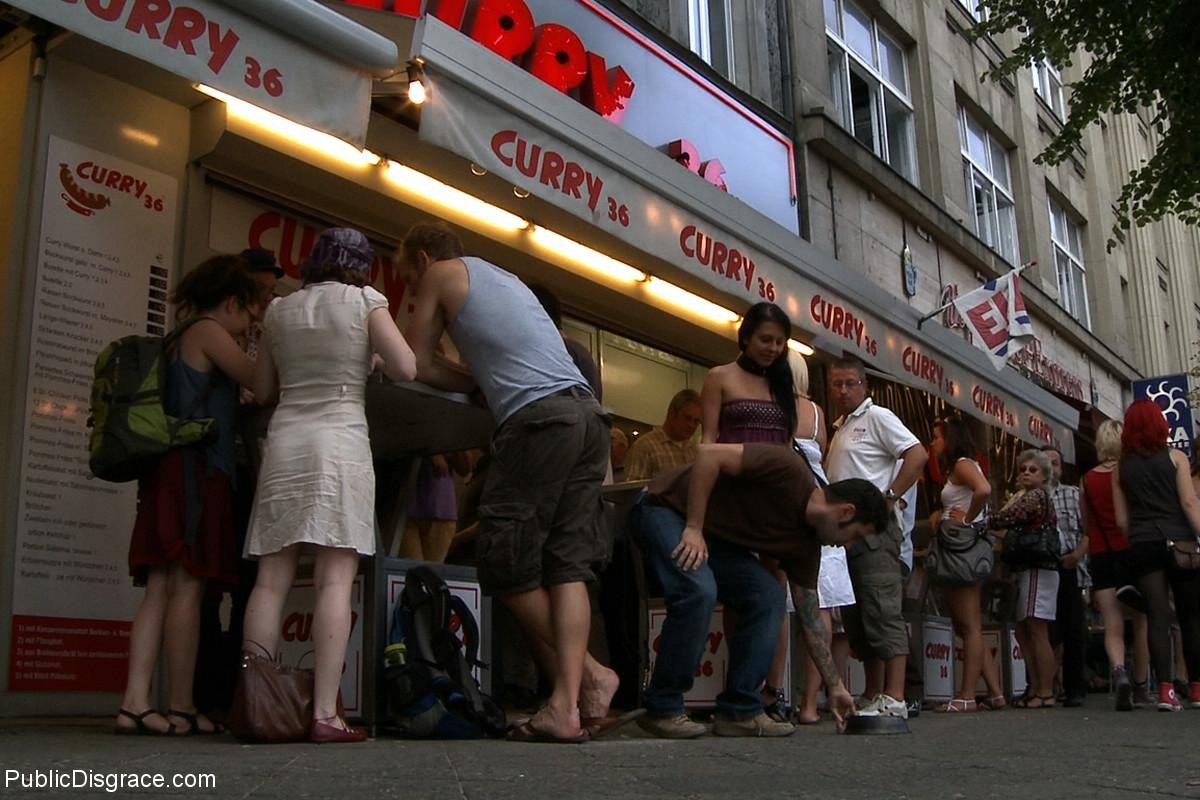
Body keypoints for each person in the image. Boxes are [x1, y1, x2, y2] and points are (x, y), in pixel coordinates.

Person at [397, 221, 618, 742]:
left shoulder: (440, 276)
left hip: (538, 422)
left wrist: (471, 381)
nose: (410, 289)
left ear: (424, 259)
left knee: (501, 556)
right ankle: (567, 705)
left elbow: (412, 362)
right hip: (588, 419)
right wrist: (479, 381)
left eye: (407, 277)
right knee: (565, 564)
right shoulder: (502, 277)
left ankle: (589, 673)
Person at [241, 228, 417, 743]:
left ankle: (257, 706)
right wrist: (371, 359)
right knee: (334, 581)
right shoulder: (365, 301)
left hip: (286, 445)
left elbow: (265, 387)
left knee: (271, 581)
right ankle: (324, 713)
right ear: (362, 267)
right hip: (340, 444)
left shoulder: (280, 311)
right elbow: (407, 367)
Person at [632, 442, 884, 737]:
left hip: (713, 540)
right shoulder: (788, 470)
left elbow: (812, 619)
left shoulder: (805, 547)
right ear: (845, 512)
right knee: (699, 589)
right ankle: (663, 707)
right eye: (854, 536)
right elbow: (708, 455)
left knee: (768, 595)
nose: (847, 546)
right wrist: (694, 527)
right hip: (665, 508)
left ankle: (739, 710)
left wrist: (835, 686)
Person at [115, 255, 259, 735]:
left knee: (161, 586)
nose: (248, 326)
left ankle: (136, 702)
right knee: (188, 586)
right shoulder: (209, 331)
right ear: (233, 302)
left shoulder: (180, 337)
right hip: (197, 472)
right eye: (250, 315)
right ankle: (179, 705)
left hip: (170, 470)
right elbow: (260, 380)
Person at [699, 302, 796, 720]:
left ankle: (772, 691)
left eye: (780, 342)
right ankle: (741, 686)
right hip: (732, 495)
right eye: (765, 340)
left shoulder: (783, 384)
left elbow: (788, 447)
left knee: (777, 589)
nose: (773, 348)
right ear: (745, 337)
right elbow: (707, 440)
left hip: (773, 497)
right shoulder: (718, 377)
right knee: (738, 595)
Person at [825, 356, 927, 718]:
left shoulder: (877, 417)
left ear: (864, 385)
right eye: (837, 384)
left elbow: (917, 454)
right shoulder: (840, 427)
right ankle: (874, 692)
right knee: (860, 616)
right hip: (847, 534)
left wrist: (890, 497)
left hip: (875, 531)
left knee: (883, 610)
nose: (843, 390)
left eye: (850, 383)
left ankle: (895, 696)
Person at [1111, 399, 1200, 712]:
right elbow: (1189, 503)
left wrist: (1136, 538)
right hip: (1181, 543)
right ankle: (1197, 688)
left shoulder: (1120, 467)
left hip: (1143, 542)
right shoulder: (1176, 458)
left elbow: (1122, 519)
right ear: (1160, 425)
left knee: (1157, 616)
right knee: (1191, 616)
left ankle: (1164, 691)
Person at [787, 351, 855, 725]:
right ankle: (812, 702)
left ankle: (776, 691)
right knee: (823, 608)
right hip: (821, 499)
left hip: (792, 505)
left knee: (784, 605)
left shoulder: (776, 406)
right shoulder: (817, 413)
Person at [929, 418, 1005, 712]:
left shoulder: (962, 464)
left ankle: (967, 695)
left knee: (970, 625)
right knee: (967, 625)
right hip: (960, 547)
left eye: (937, 437)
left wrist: (968, 517)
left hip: (961, 550)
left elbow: (983, 489)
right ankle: (995, 691)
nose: (933, 443)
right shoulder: (959, 467)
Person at [1081, 420, 1150, 710]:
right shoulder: (1130, 474)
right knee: (1141, 622)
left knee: (1111, 623)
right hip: (1130, 552)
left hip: (1100, 554)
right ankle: (1140, 685)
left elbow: (1086, 524)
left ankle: (1118, 671)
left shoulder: (1086, 479)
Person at [989, 449, 1059, 708]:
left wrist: (985, 521)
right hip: (1028, 568)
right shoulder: (1026, 497)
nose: (1027, 473)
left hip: (1037, 567)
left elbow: (1005, 518)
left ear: (1044, 476)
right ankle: (1036, 687)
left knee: (1036, 629)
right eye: (1023, 469)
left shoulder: (1035, 497)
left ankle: (1045, 690)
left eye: (1033, 470)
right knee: (1025, 630)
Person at [1042, 445, 1089, 707]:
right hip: (1042, 567)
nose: (1052, 468)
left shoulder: (1073, 494)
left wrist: (1078, 555)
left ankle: (1075, 687)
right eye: (1046, 463)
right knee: (1047, 630)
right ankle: (1044, 686)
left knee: (1073, 629)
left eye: (1056, 463)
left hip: (1069, 566)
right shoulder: (1030, 495)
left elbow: (1088, 530)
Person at [624, 389, 701, 482]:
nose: (691, 425)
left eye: (696, 421)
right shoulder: (645, 447)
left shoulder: (693, 450)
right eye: (687, 418)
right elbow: (634, 491)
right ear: (671, 414)